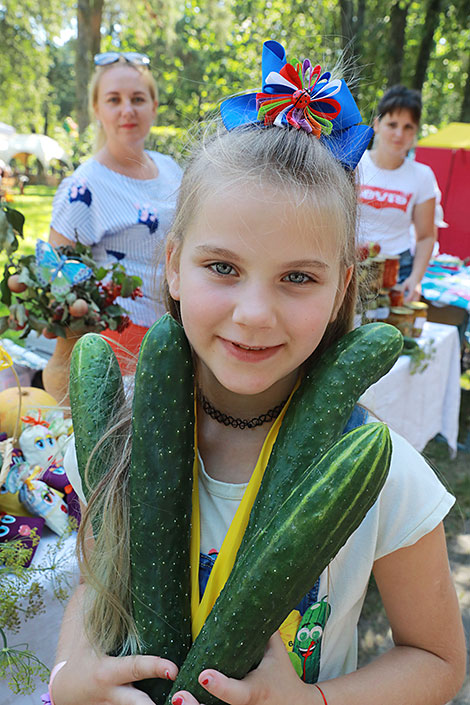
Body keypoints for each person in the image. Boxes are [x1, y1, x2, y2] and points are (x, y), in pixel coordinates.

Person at [47, 41, 465, 705]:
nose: (254, 313)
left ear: (340, 290)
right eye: (223, 267)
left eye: (298, 277)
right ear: (175, 265)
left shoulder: (381, 468)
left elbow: (438, 659)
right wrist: (70, 674)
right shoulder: (118, 435)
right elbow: (97, 583)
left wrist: (313, 701)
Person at [48, 51, 182, 363]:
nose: (127, 110)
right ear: (97, 108)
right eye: (113, 100)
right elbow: (56, 278)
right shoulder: (84, 186)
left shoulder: (172, 169)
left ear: (154, 106)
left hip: (179, 330)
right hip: (121, 340)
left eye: (137, 99)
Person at [357, 85, 437, 302]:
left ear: (415, 131)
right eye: (392, 124)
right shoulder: (354, 163)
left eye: (408, 127)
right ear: (377, 124)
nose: (399, 134)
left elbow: (426, 236)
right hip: (351, 265)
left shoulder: (422, 176)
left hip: (396, 273)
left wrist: (416, 279)